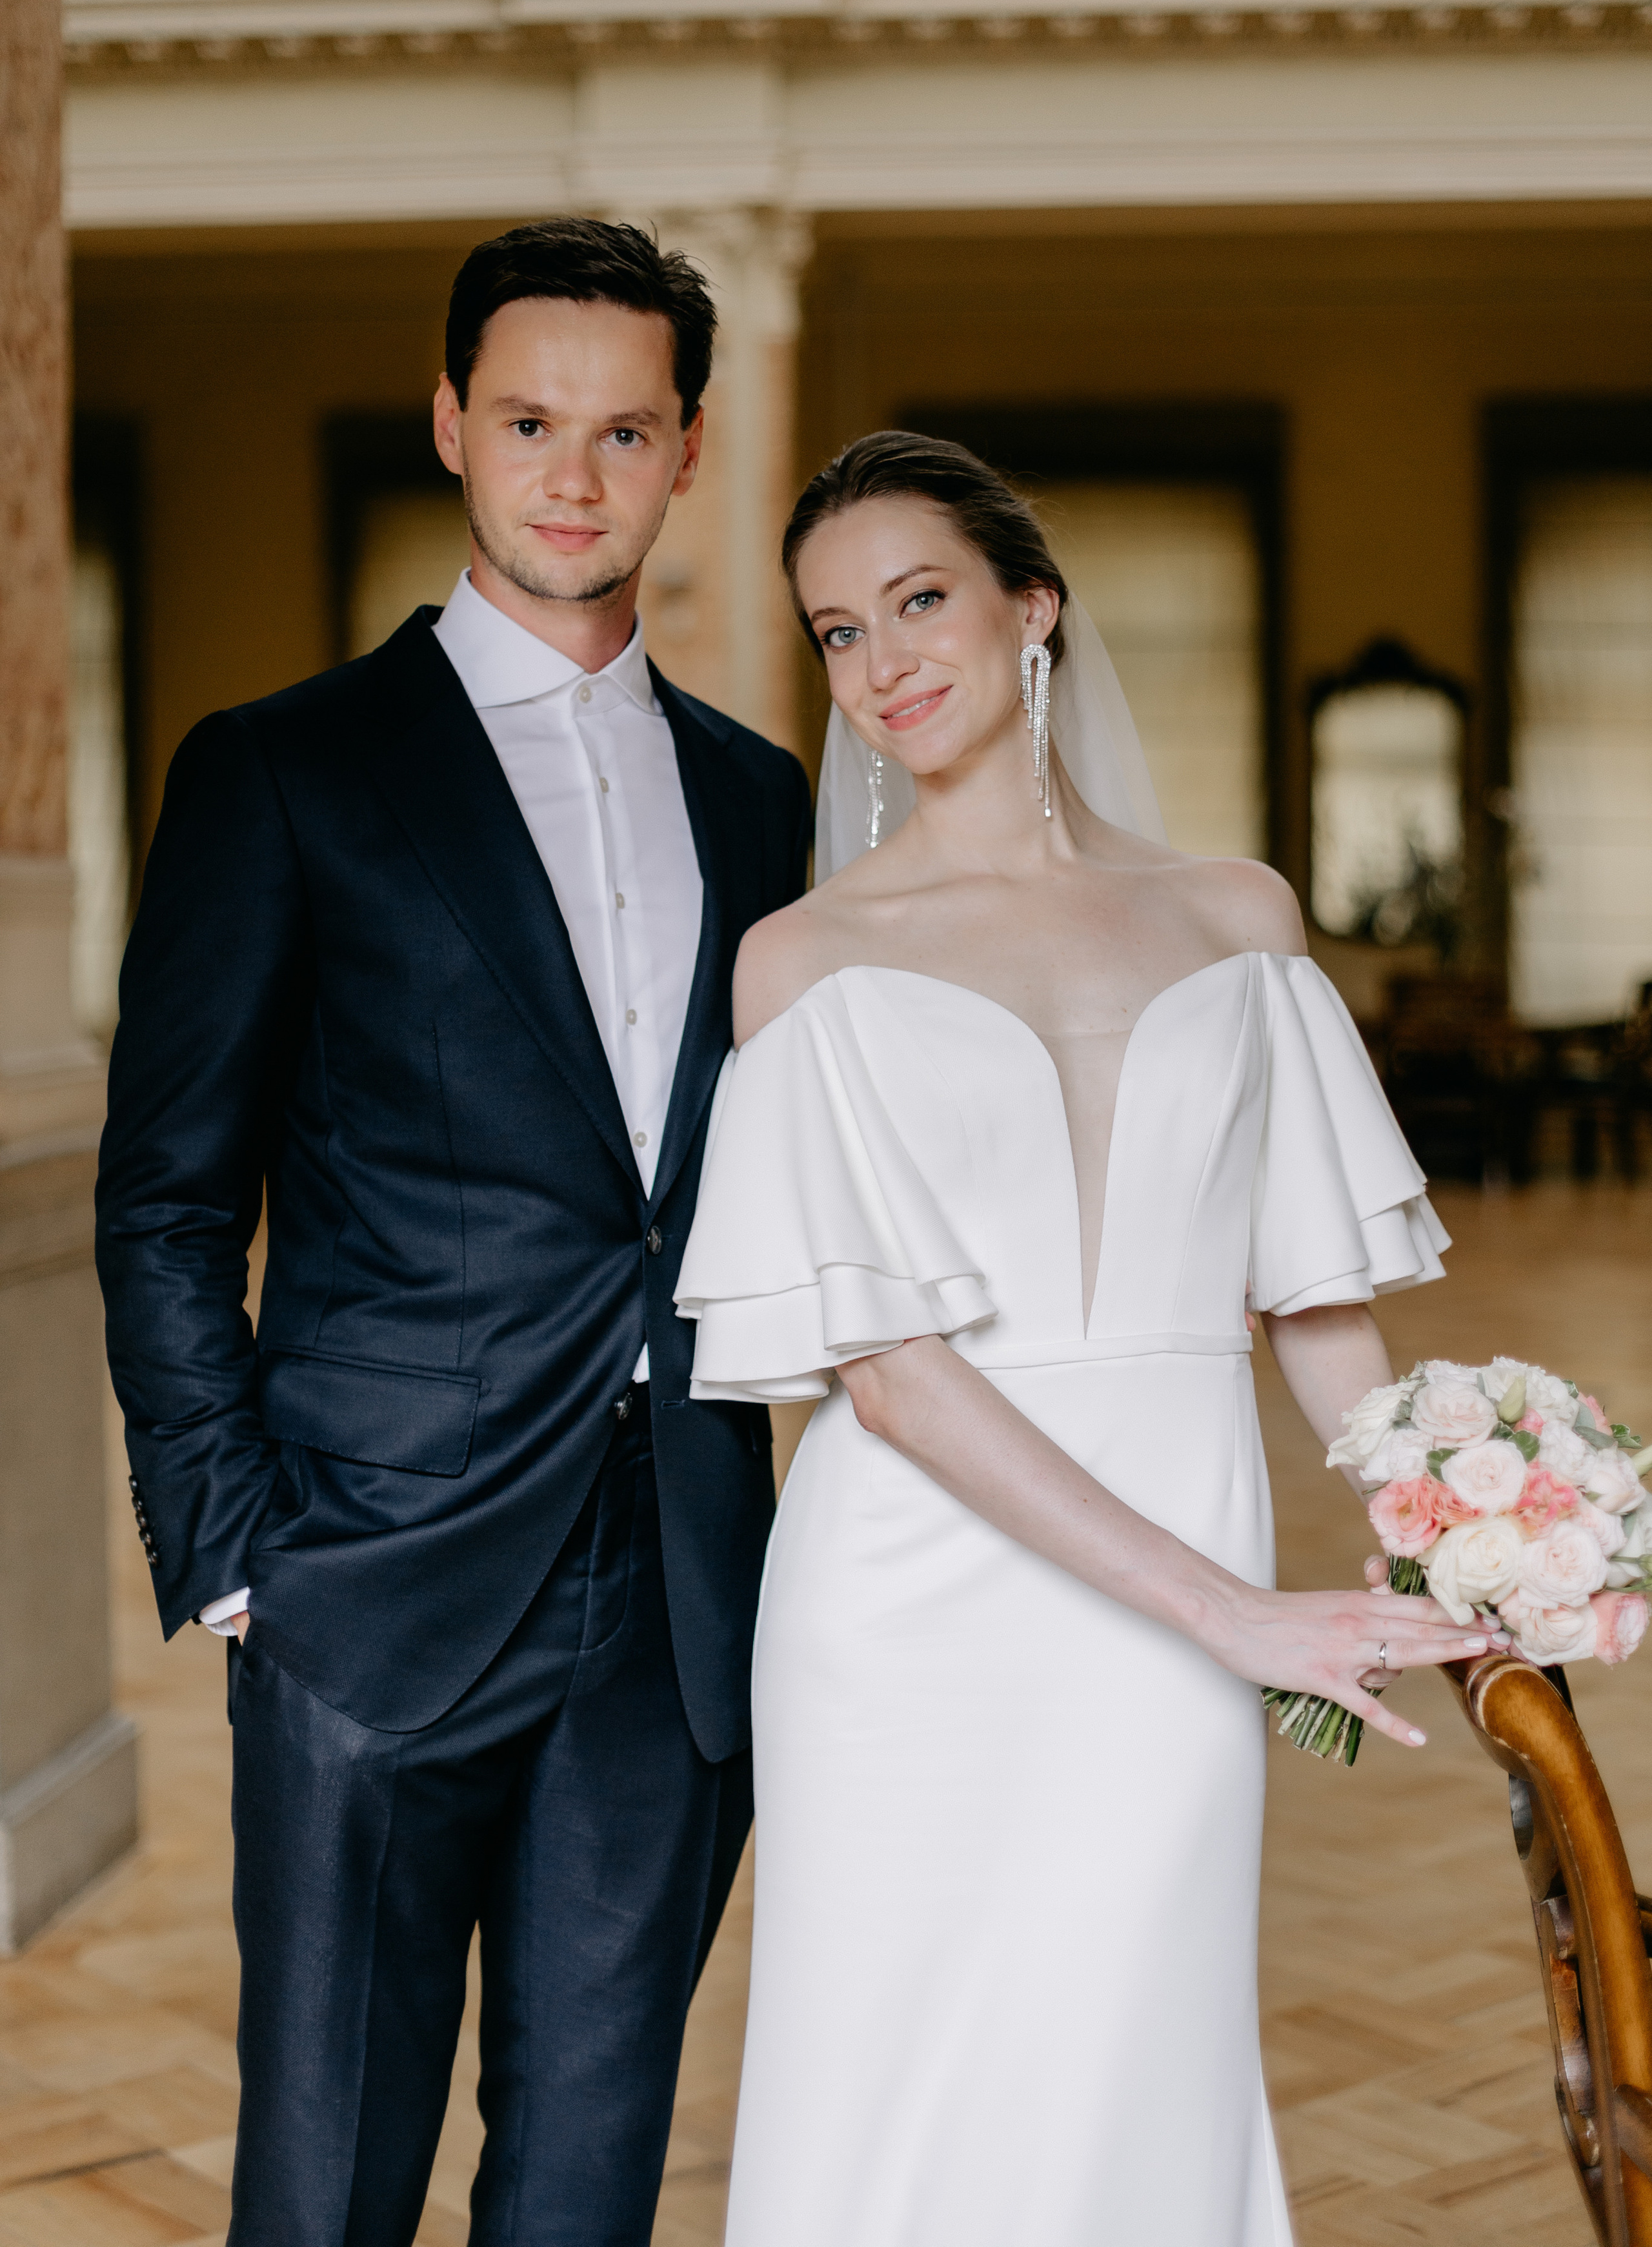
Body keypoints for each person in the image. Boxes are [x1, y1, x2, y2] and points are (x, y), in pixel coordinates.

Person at [674, 431, 1500, 2246]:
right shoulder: (801, 963)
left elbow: (1319, 1308)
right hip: (909, 1610)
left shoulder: (1238, 916)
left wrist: (1461, 1524)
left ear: (1031, 607)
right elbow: (885, 1378)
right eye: (834, 632)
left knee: (1141, 2042)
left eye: (919, 600)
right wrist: (1236, 1615)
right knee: (900, 2077)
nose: (881, 664)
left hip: (1189, 1587)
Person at [96, 219, 812, 2246]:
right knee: (325, 2189)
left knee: (585, 2189)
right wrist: (235, 1550)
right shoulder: (286, 772)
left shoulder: (763, 804)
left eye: (621, 431)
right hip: (365, 1580)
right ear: (452, 428)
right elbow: (163, 1197)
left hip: (673, 1600)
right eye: (527, 422)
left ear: (685, 454)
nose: (571, 477)